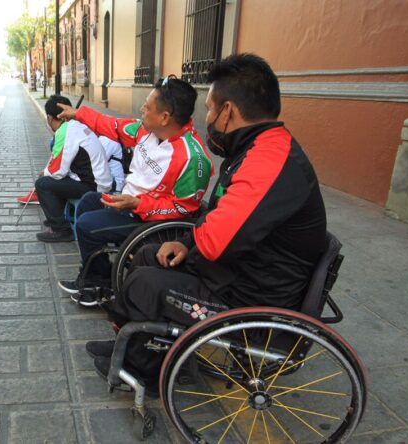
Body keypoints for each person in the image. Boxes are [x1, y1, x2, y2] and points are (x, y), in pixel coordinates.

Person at [87, 53, 329, 392]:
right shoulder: (260, 148)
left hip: (252, 298)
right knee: (147, 254)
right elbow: (218, 217)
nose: (209, 119)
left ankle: (146, 372)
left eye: (212, 110)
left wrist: (192, 248)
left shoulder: (268, 162)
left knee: (146, 281)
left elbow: (219, 243)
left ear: (228, 111)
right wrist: (185, 243)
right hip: (245, 269)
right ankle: (129, 346)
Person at [55, 76, 212, 306]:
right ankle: (96, 274)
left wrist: (138, 205)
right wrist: (78, 114)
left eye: (147, 107)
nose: (141, 109)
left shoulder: (192, 158)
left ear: (165, 117)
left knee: (87, 225)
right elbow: (113, 125)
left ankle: (100, 283)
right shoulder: (145, 130)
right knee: (89, 201)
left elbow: (183, 208)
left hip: (150, 220)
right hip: (131, 202)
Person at [35, 95, 114, 242]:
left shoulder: (65, 131)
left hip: (94, 186)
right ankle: (58, 217)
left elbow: (58, 171)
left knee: (42, 184)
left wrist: (45, 173)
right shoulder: (77, 125)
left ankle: (61, 229)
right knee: (54, 179)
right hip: (99, 181)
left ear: (49, 118)